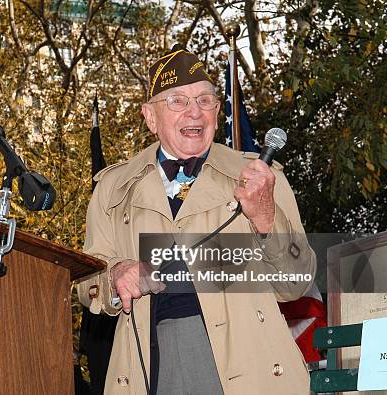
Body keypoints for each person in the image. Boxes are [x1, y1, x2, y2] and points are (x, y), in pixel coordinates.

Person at [77, 46, 316, 395]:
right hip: (151, 364)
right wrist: (116, 274)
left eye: (205, 101)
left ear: (217, 113)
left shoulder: (260, 177)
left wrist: (265, 215)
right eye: (177, 101)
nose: (194, 112)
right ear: (150, 117)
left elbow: (295, 283)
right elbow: (85, 282)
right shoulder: (113, 188)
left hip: (251, 364)